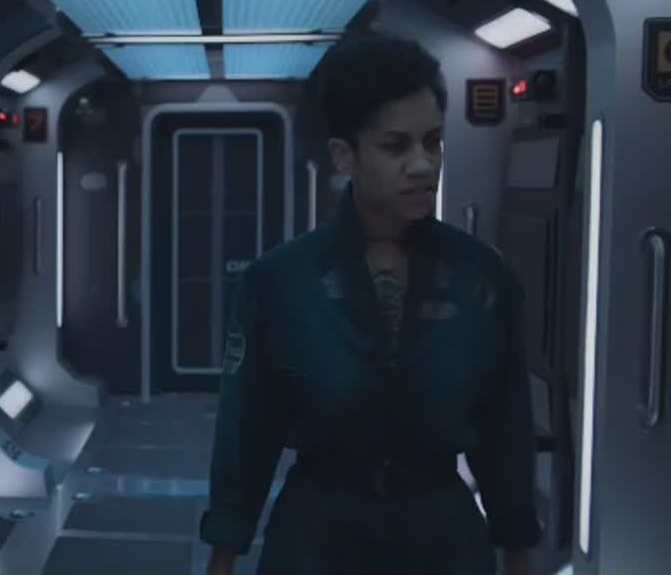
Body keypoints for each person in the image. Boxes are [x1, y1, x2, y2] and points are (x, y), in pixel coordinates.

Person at [201, 33, 540, 575]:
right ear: (346, 156)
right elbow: (247, 432)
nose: (423, 165)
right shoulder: (282, 282)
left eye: (433, 142)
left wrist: (517, 551)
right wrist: (224, 554)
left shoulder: (482, 279)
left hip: (442, 540)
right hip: (318, 538)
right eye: (396, 146)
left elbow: (506, 432)